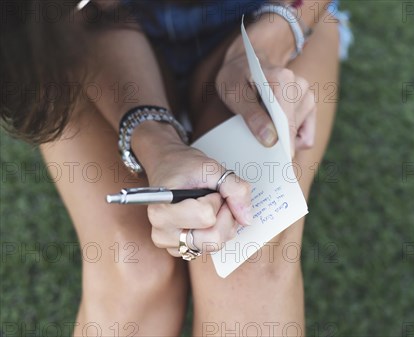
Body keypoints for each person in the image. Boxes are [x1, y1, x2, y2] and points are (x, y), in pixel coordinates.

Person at [0, 0, 351, 335]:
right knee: (133, 265)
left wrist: (273, 37)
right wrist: (157, 145)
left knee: (248, 262)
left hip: (266, 15)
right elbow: (86, 13)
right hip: (83, 33)